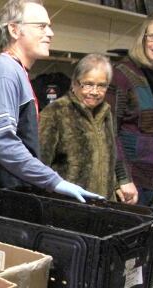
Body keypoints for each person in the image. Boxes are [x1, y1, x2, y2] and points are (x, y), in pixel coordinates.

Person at [0, 0, 101, 203]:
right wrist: (54, 182)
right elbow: (1, 141)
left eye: (49, 26)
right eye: (41, 26)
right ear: (14, 29)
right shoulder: (2, 71)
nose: (50, 33)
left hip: (5, 201)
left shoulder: (17, 72)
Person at [106, 9, 153, 206]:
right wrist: (122, 179)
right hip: (130, 182)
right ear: (143, 38)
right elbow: (109, 130)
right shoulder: (122, 75)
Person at [39, 54, 135, 202]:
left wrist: (116, 185)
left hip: (102, 205)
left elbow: (107, 157)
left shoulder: (106, 112)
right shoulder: (56, 112)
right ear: (75, 83)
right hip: (67, 206)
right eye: (88, 84)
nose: (95, 92)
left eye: (102, 85)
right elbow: (40, 165)